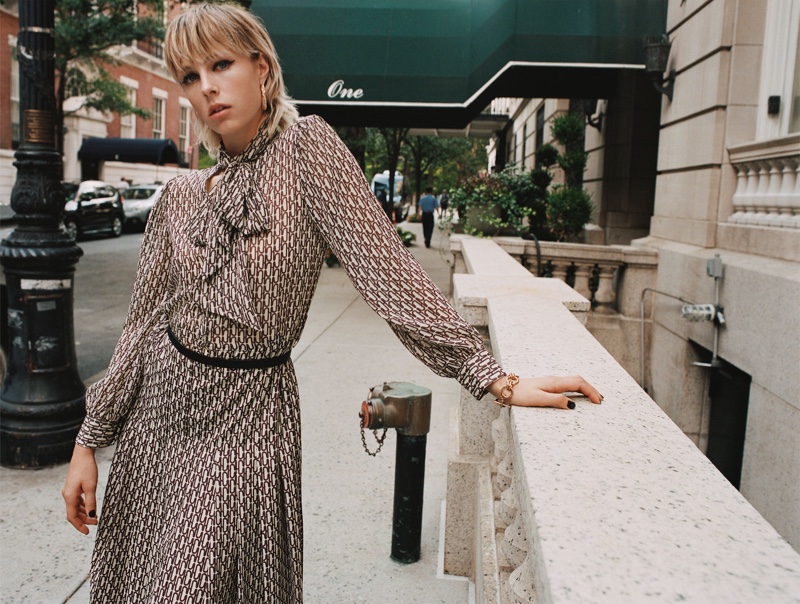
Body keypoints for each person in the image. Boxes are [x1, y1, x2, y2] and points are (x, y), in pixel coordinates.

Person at [61, 4, 602, 603]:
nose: (206, 87)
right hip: (158, 418)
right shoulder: (181, 196)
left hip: (248, 418)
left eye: (220, 64)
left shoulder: (309, 151)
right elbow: (141, 327)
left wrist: (491, 377)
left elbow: (388, 274)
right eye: (189, 76)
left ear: (261, 68)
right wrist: (89, 441)